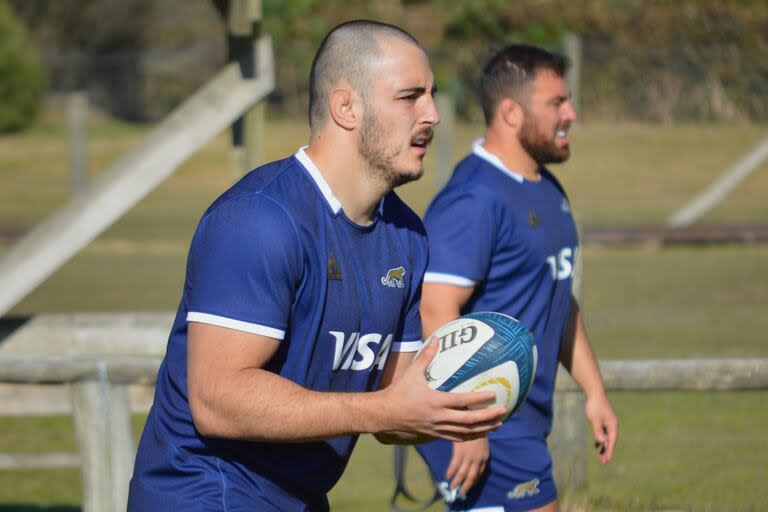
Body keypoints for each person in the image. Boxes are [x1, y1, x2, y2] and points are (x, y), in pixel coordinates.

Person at [127, 20, 507, 512]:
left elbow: (394, 407)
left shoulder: (407, 236)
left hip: (299, 499)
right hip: (204, 493)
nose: (432, 114)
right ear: (346, 106)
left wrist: (460, 400)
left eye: (432, 95)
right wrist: (380, 410)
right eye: (410, 96)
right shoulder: (259, 220)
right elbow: (216, 400)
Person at [414, 44, 619, 512]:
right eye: (556, 103)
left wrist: (595, 392)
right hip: (488, 423)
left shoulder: (548, 189)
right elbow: (435, 308)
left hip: (519, 423)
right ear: (510, 112)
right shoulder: (473, 198)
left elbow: (558, 296)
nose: (571, 113)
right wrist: (464, 425)